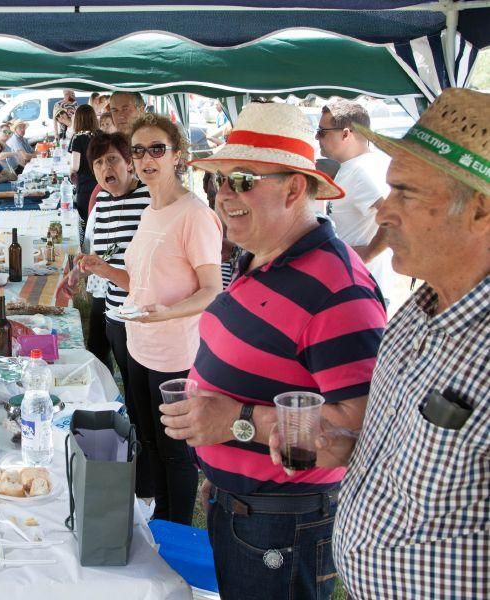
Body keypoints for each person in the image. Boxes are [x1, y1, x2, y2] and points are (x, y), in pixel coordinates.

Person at [160, 102, 387, 599]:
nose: (224, 195)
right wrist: (219, 472)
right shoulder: (261, 255)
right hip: (242, 507)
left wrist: (237, 423)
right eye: (220, 180)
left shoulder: (337, 292)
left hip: (284, 526)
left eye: (243, 179)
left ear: (295, 187)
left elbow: (359, 432)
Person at [314, 88, 489, 599]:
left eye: (406, 193)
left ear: (480, 211)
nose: (383, 211)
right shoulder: (416, 312)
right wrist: (353, 448)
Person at [80, 114, 223, 524]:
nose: (146, 159)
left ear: (177, 155)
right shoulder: (150, 210)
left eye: (156, 149)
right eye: (138, 150)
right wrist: (105, 273)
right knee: (147, 439)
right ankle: (159, 521)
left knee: (175, 453)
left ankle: (175, 534)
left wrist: (168, 312)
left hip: (176, 353)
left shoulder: (193, 214)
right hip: (139, 343)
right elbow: (141, 281)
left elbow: (213, 290)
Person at [58, 131, 154, 499]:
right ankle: (139, 480)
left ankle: (150, 488)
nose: (105, 168)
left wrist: (104, 271)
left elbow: (148, 279)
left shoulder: (149, 201)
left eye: (112, 159)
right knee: (131, 401)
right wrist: (77, 273)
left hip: (143, 321)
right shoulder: (102, 205)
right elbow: (97, 252)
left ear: (129, 162)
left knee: (148, 412)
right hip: (115, 315)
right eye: (97, 163)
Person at [317, 100, 394, 297]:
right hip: (358, 284)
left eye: (322, 132)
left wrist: (368, 254)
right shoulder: (366, 165)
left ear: (345, 133)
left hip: (359, 287)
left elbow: (395, 217)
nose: (317, 137)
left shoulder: (361, 172)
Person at [68, 104, 100, 221]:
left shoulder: (77, 137)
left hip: (85, 187)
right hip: (102, 185)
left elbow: (75, 167)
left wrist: (70, 173)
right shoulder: (101, 135)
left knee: (86, 223)